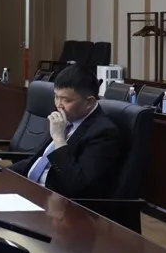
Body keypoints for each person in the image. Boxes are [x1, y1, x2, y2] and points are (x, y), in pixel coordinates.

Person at [11, 65, 124, 199]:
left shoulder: (104, 133)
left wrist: (59, 139)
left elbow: (77, 184)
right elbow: (38, 161)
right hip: (30, 189)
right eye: (56, 97)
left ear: (89, 102)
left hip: (57, 201)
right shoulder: (67, 119)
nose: (59, 105)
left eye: (66, 100)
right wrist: (1, 171)